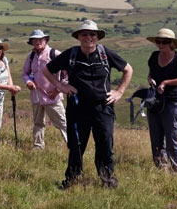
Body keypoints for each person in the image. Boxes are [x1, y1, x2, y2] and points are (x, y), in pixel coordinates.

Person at [43, 20, 133, 189]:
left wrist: (119, 92)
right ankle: (72, 180)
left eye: (92, 34)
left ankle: (107, 180)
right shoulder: (71, 54)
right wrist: (60, 86)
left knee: (105, 143)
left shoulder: (106, 53)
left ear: (97, 37)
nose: (88, 37)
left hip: (102, 107)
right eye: (84, 34)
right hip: (77, 108)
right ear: (78, 37)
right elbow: (46, 70)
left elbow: (128, 69)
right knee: (76, 145)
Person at [145, 28, 177, 172]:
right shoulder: (154, 56)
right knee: (156, 136)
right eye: (158, 42)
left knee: (172, 138)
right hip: (155, 102)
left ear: (172, 43)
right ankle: (160, 166)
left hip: (173, 102)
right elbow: (150, 74)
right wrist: (150, 80)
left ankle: (175, 169)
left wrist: (166, 82)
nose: (161, 45)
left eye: (164, 42)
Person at [22, 30, 68, 149]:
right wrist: (29, 82)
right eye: (35, 40)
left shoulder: (54, 54)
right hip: (36, 95)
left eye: (40, 39)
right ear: (31, 42)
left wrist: (58, 89)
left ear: (45, 40)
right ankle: (38, 146)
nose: (37, 42)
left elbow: (67, 72)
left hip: (53, 96)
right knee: (38, 123)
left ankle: (72, 146)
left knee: (62, 123)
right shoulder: (31, 56)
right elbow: (25, 73)